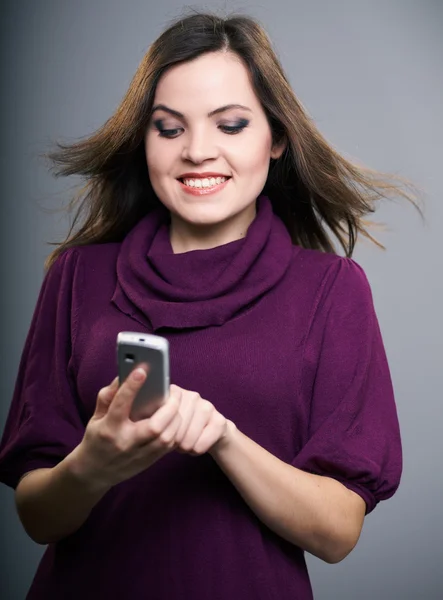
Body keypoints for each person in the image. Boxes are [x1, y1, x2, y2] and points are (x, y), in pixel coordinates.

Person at [0, 11, 420, 600]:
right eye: (169, 129)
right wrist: (92, 464)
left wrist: (223, 438)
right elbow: (37, 518)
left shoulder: (332, 290)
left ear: (275, 138)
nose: (198, 151)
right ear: (143, 140)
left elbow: (337, 532)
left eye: (230, 125)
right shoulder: (77, 276)